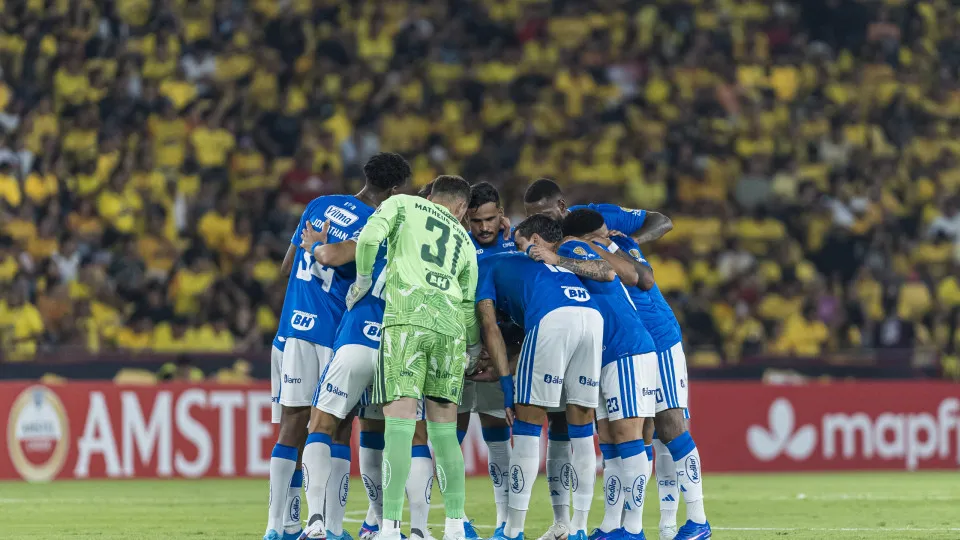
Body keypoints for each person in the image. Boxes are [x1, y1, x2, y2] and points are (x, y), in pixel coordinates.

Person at [523, 178, 710, 540]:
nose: (542, 221)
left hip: (655, 335)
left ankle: (690, 520)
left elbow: (647, 262)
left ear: (561, 207)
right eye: (533, 216)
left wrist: (618, 243)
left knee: (669, 427)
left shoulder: (597, 228)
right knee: (626, 435)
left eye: (545, 213)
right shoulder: (565, 242)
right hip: (614, 343)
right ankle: (624, 524)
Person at [264, 153, 411, 540]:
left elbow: (287, 267)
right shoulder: (376, 224)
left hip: (292, 329)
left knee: (291, 426)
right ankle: (330, 527)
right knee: (338, 427)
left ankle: (279, 526)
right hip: (335, 333)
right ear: (395, 190)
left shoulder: (319, 204)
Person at [347, 175, 482, 540]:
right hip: (451, 330)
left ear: (432, 194)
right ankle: (455, 527)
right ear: (462, 208)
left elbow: (369, 239)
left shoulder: (402, 203)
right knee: (444, 433)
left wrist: (362, 281)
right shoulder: (465, 241)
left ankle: (390, 527)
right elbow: (469, 307)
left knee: (399, 427)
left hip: (407, 320)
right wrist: (471, 350)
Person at [296, 197, 433, 540]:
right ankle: (415, 530)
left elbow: (332, 255)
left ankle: (316, 522)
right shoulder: (429, 254)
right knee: (414, 436)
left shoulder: (375, 236)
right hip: (401, 347)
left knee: (321, 424)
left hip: (359, 337)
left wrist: (315, 247)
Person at [478, 214, 609, 540]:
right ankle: (577, 529)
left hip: (551, 316)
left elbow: (490, 327)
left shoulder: (488, 265)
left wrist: (507, 387)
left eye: (521, 244)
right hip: (591, 316)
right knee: (582, 431)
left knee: (527, 428)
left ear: (533, 240)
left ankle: (512, 531)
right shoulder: (557, 264)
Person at [560, 209, 659, 540]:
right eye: (604, 233)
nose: (610, 237)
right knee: (611, 440)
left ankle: (634, 529)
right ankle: (611, 525)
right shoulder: (576, 248)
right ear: (588, 236)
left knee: (628, 435)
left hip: (625, 349)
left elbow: (616, 274)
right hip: (606, 354)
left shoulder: (579, 251)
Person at [461, 182, 518, 533]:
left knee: (497, 435)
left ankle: (504, 522)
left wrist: (507, 355)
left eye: (490, 219)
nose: (484, 227)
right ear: (465, 217)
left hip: (500, 355)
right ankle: (457, 521)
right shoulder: (456, 245)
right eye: (476, 220)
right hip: (461, 355)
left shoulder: (518, 244)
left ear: (501, 214)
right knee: (449, 436)